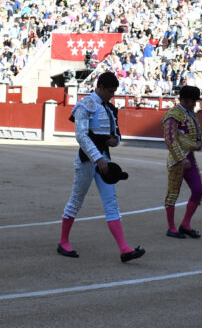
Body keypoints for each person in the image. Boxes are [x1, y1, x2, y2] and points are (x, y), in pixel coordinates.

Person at [57, 71, 144, 263]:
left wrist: (115, 140)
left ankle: (124, 249)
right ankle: (63, 242)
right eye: (110, 91)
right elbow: (81, 136)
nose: (112, 95)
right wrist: (98, 158)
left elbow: (117, 134)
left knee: (111, 202)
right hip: (88, 160)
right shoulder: (85, 105)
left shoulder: (111, 109)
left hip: (104, 159)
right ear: (101, 87)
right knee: (77, 199)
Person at [162, 85, 202, 239]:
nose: (195, 105)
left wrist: (199, 142)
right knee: (173, 193)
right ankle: (171, 228)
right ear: (185, 100)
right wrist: (181, 158)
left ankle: (185, 224)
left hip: (190, 158)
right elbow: (170, 139)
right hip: (177, 160)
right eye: (193, 102)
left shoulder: (190, 114)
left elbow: (196, 132)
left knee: (198, 191)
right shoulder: (173, 114)